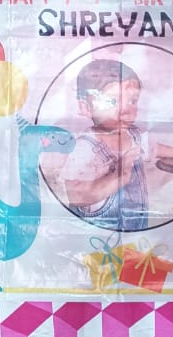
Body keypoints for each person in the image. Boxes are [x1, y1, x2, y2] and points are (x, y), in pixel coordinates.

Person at [62, 58, 151, 231]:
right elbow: (75, 195)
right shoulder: (84, 147)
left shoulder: (133, 136)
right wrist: (119, 176)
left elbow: (153, 148)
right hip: (95, 233)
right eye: (112, 101)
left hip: (136, 227)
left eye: (132, 101)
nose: (126, 110)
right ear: (86, 107)